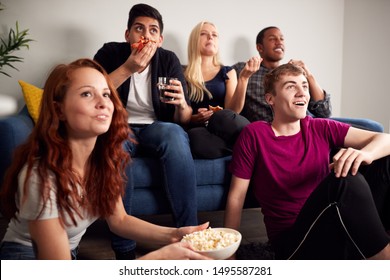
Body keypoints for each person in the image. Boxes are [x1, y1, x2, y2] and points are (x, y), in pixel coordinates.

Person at [0, 58, 210, 260]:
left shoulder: (104, 159)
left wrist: (175, 235)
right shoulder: (42, 177)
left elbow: (119, 220)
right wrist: (156, 260)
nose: (103, 103)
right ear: (59, 110)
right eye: (86, 94)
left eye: (106, 94)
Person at [224, 63, 390, 259]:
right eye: (291, 86)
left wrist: (366, 154)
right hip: (294, 244)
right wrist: (229, 253)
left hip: (335, 228)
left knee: (384, 162)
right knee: (346, 182)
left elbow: (385, 139)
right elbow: (236, 196)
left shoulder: (320, 127)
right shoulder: (254, 134)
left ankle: (375, 242)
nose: (302, 92)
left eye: (304, 85)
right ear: (270, 99)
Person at [93, 4, 198, 259]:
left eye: (153, 31)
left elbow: (183, 119)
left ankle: (193, 237)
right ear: (128, 34)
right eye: (139, 29)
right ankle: (125, 251)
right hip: (120, 125)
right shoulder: (110, 52)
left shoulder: (168, 59)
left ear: (159, 39)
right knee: (115, 144)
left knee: (174, 134)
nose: (146, 35)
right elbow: (93, 92)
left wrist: (182, 104)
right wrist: (129, 67)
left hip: (156, 127)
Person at [232, 26, 384, 132]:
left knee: (374, 128)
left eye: (282, 39)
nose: (279, 42)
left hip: (312, 122)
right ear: (260, 47)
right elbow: (232, 111)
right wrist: (244, 77)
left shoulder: (293, 72)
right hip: (286, 126)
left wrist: (308, 74)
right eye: (273, 39)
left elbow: (324, 112)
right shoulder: (243, 69)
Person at [184, 21, 256, 159]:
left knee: (224, 116)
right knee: (195, 138)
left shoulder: (228, 72)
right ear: (194, 41)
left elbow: (233, 110)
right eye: (204, 34)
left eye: (214, 35)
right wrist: (194, 118)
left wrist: (244, 79)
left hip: (224, 125)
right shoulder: (182, 73)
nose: (210, 37)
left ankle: (246, 145)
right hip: (200, 130)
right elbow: (178, 114)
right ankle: (241, 148)